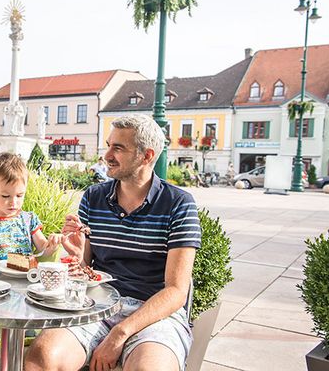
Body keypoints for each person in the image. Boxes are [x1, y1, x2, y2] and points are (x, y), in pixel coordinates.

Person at [25, 114, 201, 371]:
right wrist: (75, 257)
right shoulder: (93, 197)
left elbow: (176, 291)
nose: (107, 155)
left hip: (155, 316)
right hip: (97, 306)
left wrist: (120, 333)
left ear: (147, 155)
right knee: (41, 357)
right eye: (108, 145)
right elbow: (84, 270)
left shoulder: (179, 204)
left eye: (118, 148)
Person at [0, 152, 62, 339]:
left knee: (23, 331)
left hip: (22, 288)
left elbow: (43, 248)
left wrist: (53, 244)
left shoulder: (28, 220)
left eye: (19, 195)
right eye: (6, 195)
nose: (13, 202)